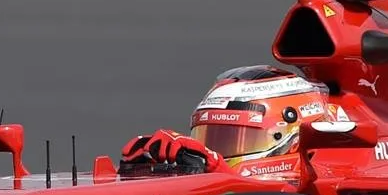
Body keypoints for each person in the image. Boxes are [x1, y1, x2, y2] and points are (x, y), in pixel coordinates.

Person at [120, 65, 331, 178]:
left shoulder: (320, 183)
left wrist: (217, 167)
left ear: (290, 138)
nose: (216, 153)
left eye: (238, 138)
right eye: (211, 137)